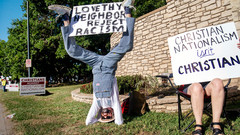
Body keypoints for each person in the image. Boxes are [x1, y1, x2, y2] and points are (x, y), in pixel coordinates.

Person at [49, 0, 135, 125]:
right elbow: (120, 122)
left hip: (95, 64)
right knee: (127, 45)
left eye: (103, 116)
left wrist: (97, 119)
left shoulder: (96, 104)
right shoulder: (114, 103)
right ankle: (127, 9)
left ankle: (66, 17)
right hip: (108, 65)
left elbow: (88, 121)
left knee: (71, 51)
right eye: (108, 116)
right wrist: (116, 119)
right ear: (112, 114)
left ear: (100, 113)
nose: (105, 114)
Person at [184, 40, 240, 135]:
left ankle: (216, 124)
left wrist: (235, 49)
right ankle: (198, 125)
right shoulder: (187, 52)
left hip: (208, 84)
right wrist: (176, 58)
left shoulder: (212, 51)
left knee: (218, 82)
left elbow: (226, 55)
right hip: (191, 84)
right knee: (197, 87)